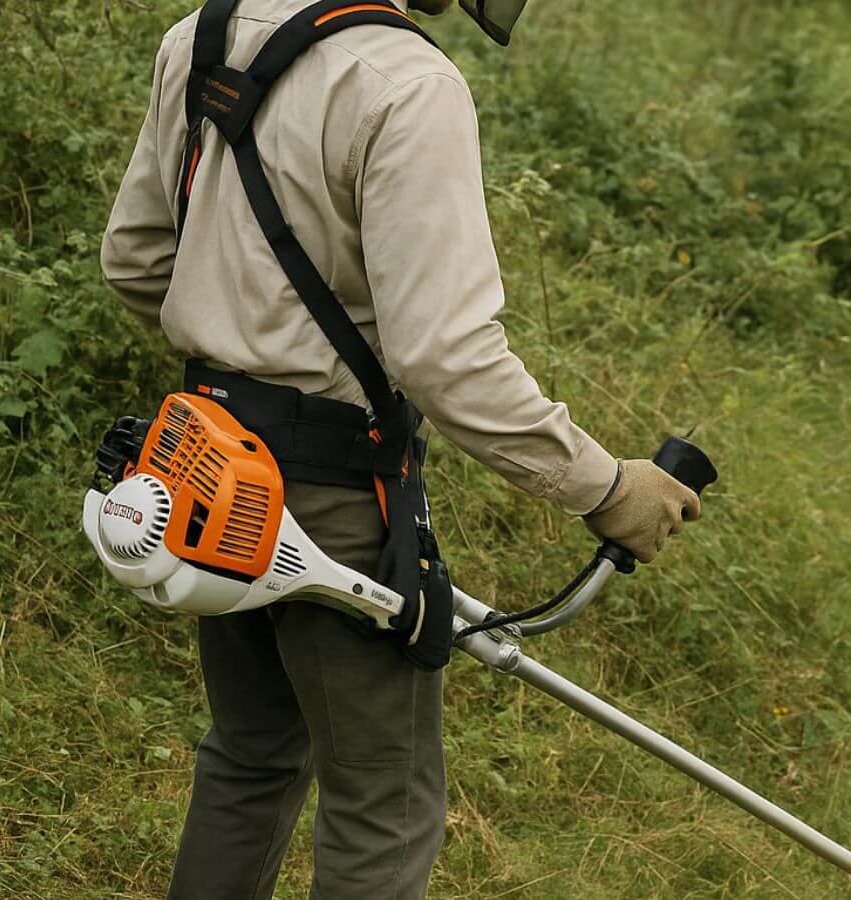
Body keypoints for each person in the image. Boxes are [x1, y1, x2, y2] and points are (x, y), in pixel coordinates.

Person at [100, 1, 702, 897]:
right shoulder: (411, 83)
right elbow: (445, 358)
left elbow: (136, 259)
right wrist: (606, 487)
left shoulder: (203, 33)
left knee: (250, 756)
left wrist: (244, 356)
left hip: (205, 458)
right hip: (334, 490)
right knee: (385, 804)